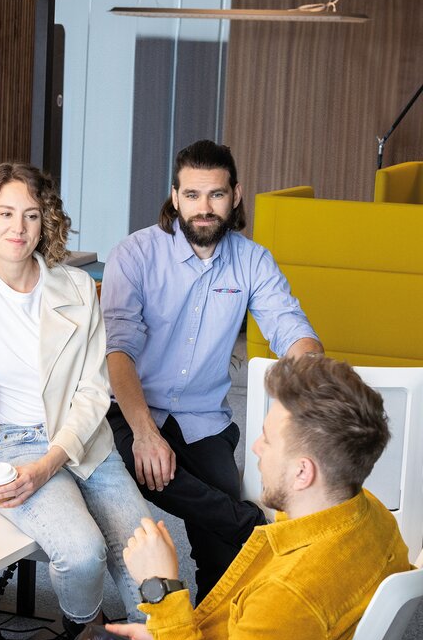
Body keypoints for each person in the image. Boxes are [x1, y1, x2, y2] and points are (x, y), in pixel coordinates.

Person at [48, 354, 411, 640]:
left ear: (303, 472)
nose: (255, 446)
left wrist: (162, 590)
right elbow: (264, 635)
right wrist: (166, 639)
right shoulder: (369, 516)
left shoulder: (295, 594)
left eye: (268, 437)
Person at [0, 162, 151, 631]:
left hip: (87, 442)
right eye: (5, 213)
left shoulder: (76, 287)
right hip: (16, 446)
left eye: (31, 215)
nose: (18, 228)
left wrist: (52, 462)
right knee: (82, 556)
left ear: (46, 222)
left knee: (151, 558)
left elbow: (95, 391)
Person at [101, 139, 324, 600]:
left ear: (235, 195)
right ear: (175, 196)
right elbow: (117, 351)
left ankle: (210, 632)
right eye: (192, 195)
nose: (204, 208)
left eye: (216, 195)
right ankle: (253, 528)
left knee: (220, 551)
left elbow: (291, 329)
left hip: (203, 419)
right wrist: (145, 433)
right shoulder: (136, 254)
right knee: (159, 471)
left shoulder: (252, 261)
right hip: (127, 411)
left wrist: (309, 369)